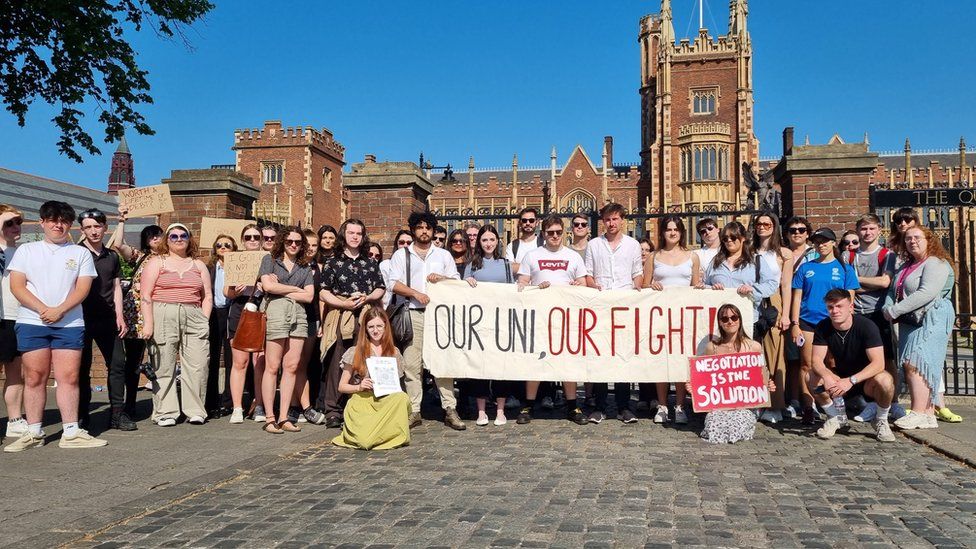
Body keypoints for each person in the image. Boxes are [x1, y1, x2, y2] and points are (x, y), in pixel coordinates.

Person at [4, 201, 105, 452]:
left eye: (63, 221)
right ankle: (34, 430)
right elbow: (17, 285)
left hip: (69, 323)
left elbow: (82, 288)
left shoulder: (79, 253)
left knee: (68, 377)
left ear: (69, 225)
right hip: (32, 321)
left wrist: (60, 310)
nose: (57, 225)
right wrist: (42, 309)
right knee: (35, 377)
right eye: (52, 220)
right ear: (42, 223)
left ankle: (71, 430)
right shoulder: (27, 251)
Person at [389, 211, 466, 430]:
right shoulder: (401, 255)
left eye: (428, 228)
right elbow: (393, 283)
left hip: (439, 314)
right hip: (413, 313)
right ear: (413, 230)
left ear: (433, 231)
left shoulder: (443, 256)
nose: (424, 231)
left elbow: (456, 282)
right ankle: (414, 410)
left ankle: (450, 408)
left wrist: (442, 279)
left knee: (442, 363)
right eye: (420, 227)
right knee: (412, 364)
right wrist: (414, 293)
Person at [886, 208, 959, 423]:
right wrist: (889, 305)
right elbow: (894, 289)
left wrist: (895, 310)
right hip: (911, 320)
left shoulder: (936, 263)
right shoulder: (908, 265)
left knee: (918, 362)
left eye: (917, 237)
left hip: (931, 317)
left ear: (929, 240)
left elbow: (927, 292)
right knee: (911, 363)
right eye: (908, 239)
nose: (912, 241)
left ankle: (920, 412)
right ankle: (925, 413)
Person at [516, 216, 588, 426]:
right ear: (543, 233)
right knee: (536, 360)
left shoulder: (573, 257)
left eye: (558, 232)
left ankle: (572, 404)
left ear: (563, 232)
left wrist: (577, 284)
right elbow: (522, 283)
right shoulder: (532, 255)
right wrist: (536, 288)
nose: (554, 236)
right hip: (540, 317)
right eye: (550, 232)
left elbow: (583, 282)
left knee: (568, 361)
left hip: (567, 317)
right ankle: (528, 404)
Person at [140, 223, 213, 427]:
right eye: (174, 236)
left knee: (198, 364)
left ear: (189, 239)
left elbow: (207, 295)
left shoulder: (198, 265)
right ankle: (166, 411)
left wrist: (204, 319)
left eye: (183, 235)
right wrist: (148, 323)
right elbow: (145, 295)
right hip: (164, 311)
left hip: (193, 313)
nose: (179, 239)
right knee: (164, 363)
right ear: (167, 240)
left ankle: (195, 410)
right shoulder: (157, 262)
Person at [319, 219, 385, 428]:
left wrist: (367, 298)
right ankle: (332, 410)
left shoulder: (370, 262)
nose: (355, 237)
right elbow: (323, 291)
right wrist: (343, 303)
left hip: (365, 316)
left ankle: (357, 406)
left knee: (363, 361)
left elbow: (380, 287)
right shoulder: (332, 262)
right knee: (338, 361)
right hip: (341, 316)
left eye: (359, 233)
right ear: (343, 235)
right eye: (351, 233)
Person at [789, 227, 859, 425]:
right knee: (807, 364)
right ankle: (808, 406)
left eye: (825, 241)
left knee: (830, 365)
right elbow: (797, 297)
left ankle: (835, 405)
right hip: (807, 321)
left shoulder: (844, 268)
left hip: (832, 323)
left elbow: (849, 299)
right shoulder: (805, 268)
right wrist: (795, 323)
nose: (821, 245)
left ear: (833, 243)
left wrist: (845, 323)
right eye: (818, 241)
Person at [584, 203, 643, 424]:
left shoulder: (633, 245)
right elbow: (588, 274)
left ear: (622, 220)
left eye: (616, 219)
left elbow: (637, 273)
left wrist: (637, 288)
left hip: (624, 309)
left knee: (622, 358)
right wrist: (594, 286)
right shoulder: (594, 245)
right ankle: (599, 406)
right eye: (608, 219)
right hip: (601, 309)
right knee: (600, 358)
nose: (612, 223)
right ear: (603, 221)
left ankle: (623, 406)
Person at [811, 289, 896, 442]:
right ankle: (834, 416)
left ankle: (881, 420)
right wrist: (826, 376)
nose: (834, 311)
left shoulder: (867, 326)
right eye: (830, 307)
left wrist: (851, 380)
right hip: (837, 379)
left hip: (865, 381)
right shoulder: (822, 327)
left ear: (850, 307)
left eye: (839, 306)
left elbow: (879, 363)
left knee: (885, 380)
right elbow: (816, 360)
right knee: (811, 376)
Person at [77, 208, 131, 431]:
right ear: (82, 230)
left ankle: (117, 413)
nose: (93, 231)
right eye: (88, 227)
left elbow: (116, 286)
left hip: (109, 318)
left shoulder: (112, 256)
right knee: (81, 368)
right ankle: (81, 416)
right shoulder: (75, 253)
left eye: (97, 226)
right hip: (80, 319)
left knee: (117, 365)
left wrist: (120, 315)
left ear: (104, 228)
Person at [257, 226, 315, 434]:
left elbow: (309, 297)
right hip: (276, 311)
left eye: (298, 242)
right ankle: (270, 417)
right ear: (283, 241)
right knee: (272, 366)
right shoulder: (270, 260)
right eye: (290, 241)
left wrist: (283, 287)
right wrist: (296, 289)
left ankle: (284, 417)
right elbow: (268, 287)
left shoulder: (304, 267)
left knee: (291, 366)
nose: (293, 245)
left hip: (299, 315)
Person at [645, 215, 701, 424]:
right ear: (662, 232)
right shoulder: (654, 256)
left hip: (684, 317)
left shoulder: (692, 257)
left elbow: (696, 285)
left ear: (681, 232)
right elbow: (643, 285)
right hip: (660, 316)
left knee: (680, 362)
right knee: (662, 361)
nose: (672, 233)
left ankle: (679, 405)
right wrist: (651, 286)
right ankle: (662, 405)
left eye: (676, 229)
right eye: (668, 229)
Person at [692, 303, 774, 444]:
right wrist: (694, 387)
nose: (730, 321)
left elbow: (761, 376)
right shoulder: (712, 347)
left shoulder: (753, 346)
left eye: (734, 317)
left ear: (739, 320)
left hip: (745, 405)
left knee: (736, 427)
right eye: (725, 319)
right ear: (720, 323)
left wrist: (767, 385)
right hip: (720, 405)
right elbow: (705, 378)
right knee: (713, 428)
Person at [332, 306, 411, 450]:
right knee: (364, 441)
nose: (375, 330)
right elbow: (341, 386)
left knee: (402, 398)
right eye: (371, 327)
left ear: (386, 327)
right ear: (365, 329)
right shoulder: (355, 351)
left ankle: (388, 434)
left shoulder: (394, 352)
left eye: (379, 326)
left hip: (385, 399)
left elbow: (397, 385)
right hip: (362, 400)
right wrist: (359, 386)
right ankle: (377, 434)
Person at [462, 224, 517, 426]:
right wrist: (466, 282)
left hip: (501, 322)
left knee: (500, 367)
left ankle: (500, 411)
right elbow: (463, 291)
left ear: (497, 241)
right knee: (481, 367)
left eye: (492, 239)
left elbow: (512, 291)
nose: (488, 243)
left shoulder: (505, 264)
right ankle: (482, 411)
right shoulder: (472, 264)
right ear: (479, 242)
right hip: (479, 323)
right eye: (484, 240)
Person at [844, 214, 896, 423]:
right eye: (864, 229)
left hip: (878, 312)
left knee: (886, 359)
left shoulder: (886, 254)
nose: (867, 233)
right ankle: (865, 400)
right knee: (858, 357)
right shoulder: (848, 255)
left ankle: (889, 402)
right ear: (858, 231)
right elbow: (847, 285)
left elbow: (885, 282)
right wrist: (866, 284)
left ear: (879, 230)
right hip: (855, 312)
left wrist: (857, 280)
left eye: (872, 229)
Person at [113, 221, 165, 420]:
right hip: (135, 313)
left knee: (161, 358)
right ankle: (130, 403)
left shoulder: (170, 259)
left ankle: (162, 404)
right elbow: (119, 244)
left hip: (158, 311)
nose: (155, 239)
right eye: (151, 236)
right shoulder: (141, 257)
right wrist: (121, 221)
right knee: (133, 360)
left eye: (158, 235)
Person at [751, 212, 794, 425]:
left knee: (774, 353)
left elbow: (786, 285)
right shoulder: (749, 251)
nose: (762, 227)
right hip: (751, 300)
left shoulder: (783, 253)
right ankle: (756, 400)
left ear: (774, 226)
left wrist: (785, 314)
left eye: (767, 223)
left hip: (772, 300)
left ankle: (776, 403)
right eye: (759, 223)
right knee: (753, 352)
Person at [225, 224, 267, 424]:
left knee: (260, 362)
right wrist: (236, 290)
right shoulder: (235, 259)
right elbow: (227, 292)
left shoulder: (268, 260)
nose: (252, 240)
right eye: (248, 237)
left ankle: (259, 404)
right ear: (242, 240)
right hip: (240, 309)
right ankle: (237, 407)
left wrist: (263, 285)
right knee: (240, 362)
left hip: (261, 307)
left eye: (256, 237)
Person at [782, 216, 816, 420]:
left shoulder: (814, 254)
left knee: (810, 360)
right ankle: (792, 398)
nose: (797, 233)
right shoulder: (781, 253)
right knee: (790, 358)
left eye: (801, 230)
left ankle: (811, 400)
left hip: (808, 313)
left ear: (807, 233)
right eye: (792, 230)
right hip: (786, 310)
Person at [292, 228, 326, 425]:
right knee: (293, 364)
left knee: (302, 364)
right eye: (308, 245)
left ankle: (299, 405)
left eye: (315, 245)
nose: (311, 249)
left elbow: (320, 298)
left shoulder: (319, 267)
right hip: (293, 318)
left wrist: (321, 320)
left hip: (312, 319)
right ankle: (297, 406)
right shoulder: (294, 266)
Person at [1, 205, 26, 442]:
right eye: (9, 223)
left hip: (16, 317)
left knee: (16, 372)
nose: (14, 227)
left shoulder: (23, 253)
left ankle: (15, 420)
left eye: (17, 222)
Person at [206, 233, 236, 419]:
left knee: (233, 358)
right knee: (213, 357)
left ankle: (228, 401)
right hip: (214, 312)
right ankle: (211, 402)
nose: (223, 247)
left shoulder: (240, 267)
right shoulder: (210, 268)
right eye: (219, 245)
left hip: (232, 312)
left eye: (227, 245)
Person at [505, 207, 542, 274]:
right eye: (524, 220)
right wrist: (537, 266)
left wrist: (519, 266)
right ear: (520, 223)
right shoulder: (512, 246)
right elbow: (510, 268)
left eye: (531, 220)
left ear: (537, 222)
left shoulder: (543, 244)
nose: (528, 223)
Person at [381, 230, 411, 308]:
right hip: (389, 308)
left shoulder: (418, 265)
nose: (405, 245)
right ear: (396, 244)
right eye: (401, 242)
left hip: (410, 308)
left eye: (409, 243)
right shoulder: (386, 265)